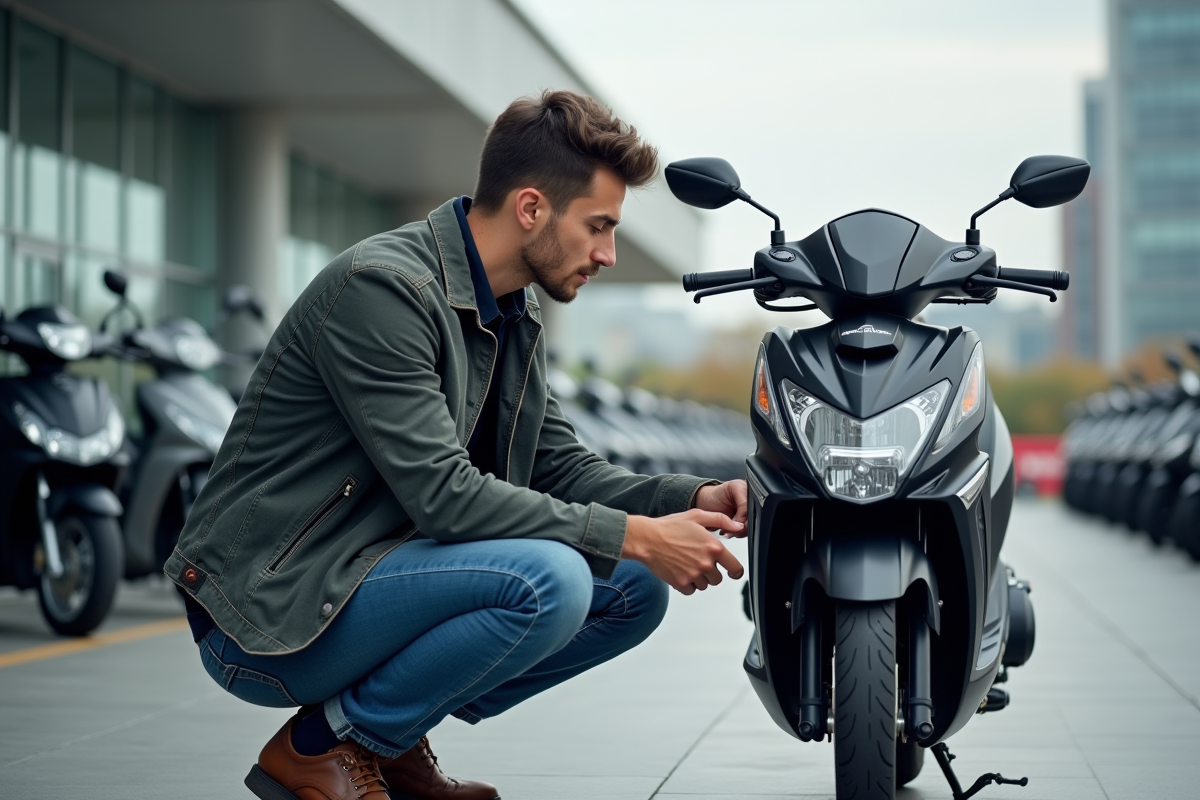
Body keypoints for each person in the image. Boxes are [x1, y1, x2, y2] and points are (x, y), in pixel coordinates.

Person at [167, 89, 748, 800]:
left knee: (632, 590)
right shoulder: (382, 290)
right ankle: (318, 747)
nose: (607, 252)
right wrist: (635, 534)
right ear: (531, 208)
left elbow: (559, 466)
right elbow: (444, 497)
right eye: (597, 226)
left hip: (362, 573)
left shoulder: (511, 311)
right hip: (269, 609)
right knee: (552, 580)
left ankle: (384, 739)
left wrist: (692, 497)